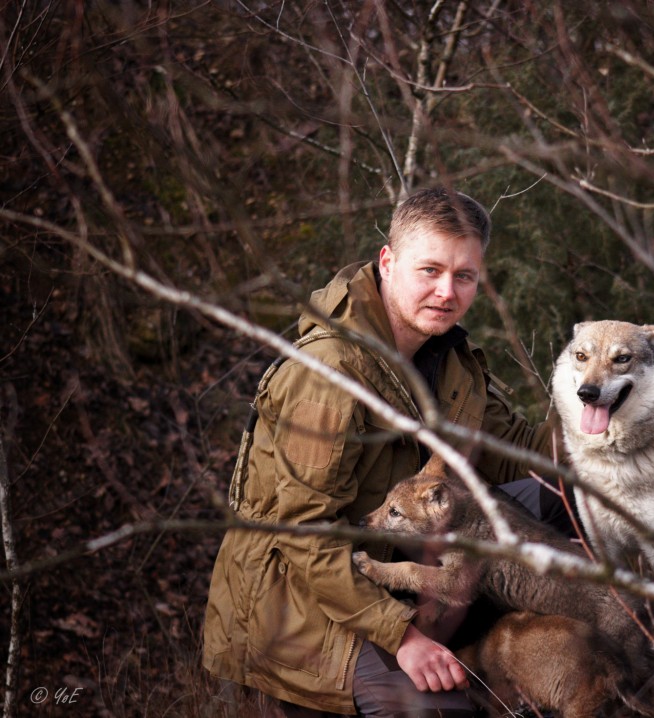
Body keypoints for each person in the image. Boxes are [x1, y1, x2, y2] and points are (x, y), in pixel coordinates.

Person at [202, 187, 565, 717]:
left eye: (464, 276)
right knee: (438, 708)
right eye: (430, 270)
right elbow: (304, 538)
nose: (447, 291)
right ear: (388, 262)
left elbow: (521, 458)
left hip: (400, 560)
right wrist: (403, 638)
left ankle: (596, 645)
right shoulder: (328, 374)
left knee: (567, 495)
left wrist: (614, 407)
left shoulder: (450, 361)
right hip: (300, 602)